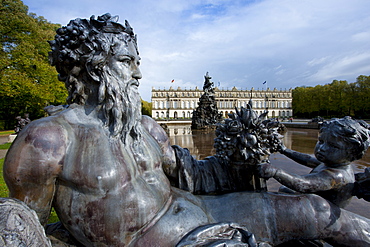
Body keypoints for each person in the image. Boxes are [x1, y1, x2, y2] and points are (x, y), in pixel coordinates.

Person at [4, 14, 370, 246]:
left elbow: (192, 175)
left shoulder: (144, 126)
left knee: (318, 210)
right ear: (94, 67)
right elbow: (28, 229)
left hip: (202, 208)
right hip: (168, 239)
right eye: (128, 62)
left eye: (138, 62)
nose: (139, 74)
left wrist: (243, 158)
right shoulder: (47, 141)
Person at [258, 116, 370, 208]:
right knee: (284, 189)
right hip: (316, 202)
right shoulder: (333, 163)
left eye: (333, 146)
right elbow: (307, 159)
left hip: (322, 213)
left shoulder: (337, 176)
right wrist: (284, 150)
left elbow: (305, 184)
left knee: (277, 200)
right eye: (321, 141)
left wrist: (276, 172)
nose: (322, 148)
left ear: (352, 153)